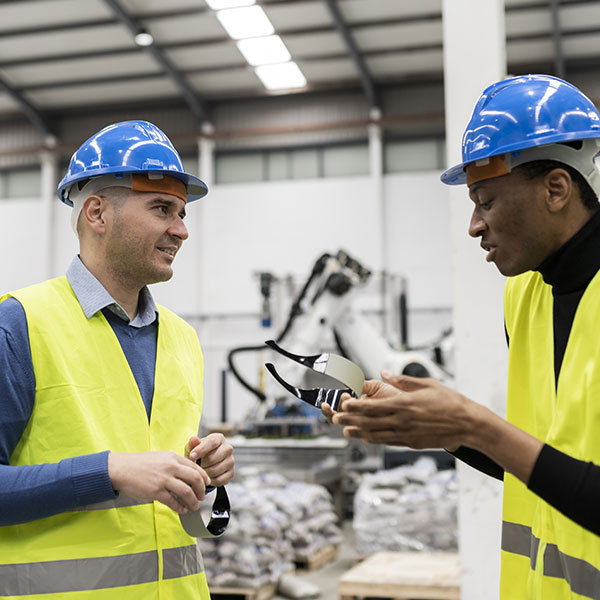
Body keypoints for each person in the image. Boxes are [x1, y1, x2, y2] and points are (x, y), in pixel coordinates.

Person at [324, 74, 600, 598]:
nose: (474, 225)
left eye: (486, 200)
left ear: (556, 189)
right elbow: (542, 463)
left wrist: (477, 424)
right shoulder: (527, 296)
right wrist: (438, 427)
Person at [0, 120, 234, 599]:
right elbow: (122, 471)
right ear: (97, 213)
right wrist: (106, 473)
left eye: (182, 212)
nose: (182, 230)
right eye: (162, 209)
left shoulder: (183, 339)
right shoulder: (19, 324)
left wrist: (204, 473)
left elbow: (156, 485)